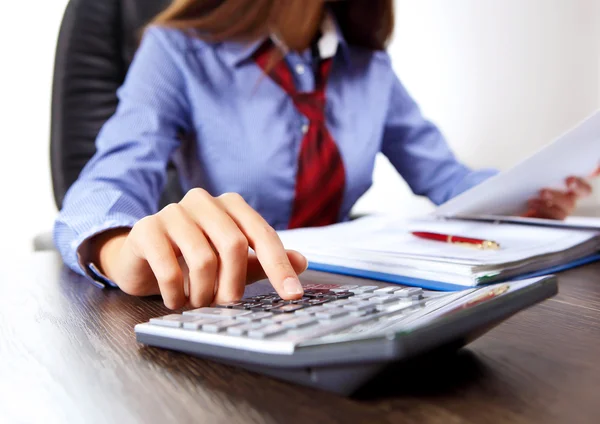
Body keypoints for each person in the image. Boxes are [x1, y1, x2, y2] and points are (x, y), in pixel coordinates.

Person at [54, 0, 593, 310]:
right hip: (241, 297)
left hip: (346, 294)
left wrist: (524, 196)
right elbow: (104, 183)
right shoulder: (178, 51)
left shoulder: (368, 69)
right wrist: (115, 247)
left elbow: (446, 177)